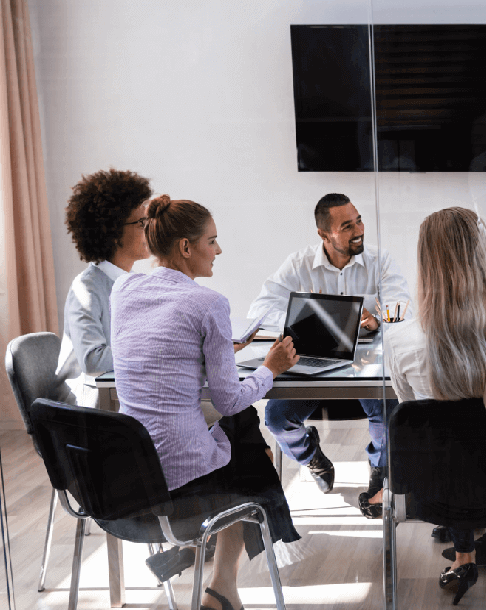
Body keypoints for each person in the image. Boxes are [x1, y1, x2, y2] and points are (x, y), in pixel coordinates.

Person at [110, 195, 302, 610]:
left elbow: (156, 354)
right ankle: (221, 585)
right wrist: (271, 367)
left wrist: (209, 352)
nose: (219, 250)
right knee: (247, 435)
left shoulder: (124, 288)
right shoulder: (208, 303)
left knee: (245, 438)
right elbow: (229, 400)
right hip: (180, 475)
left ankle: (206, 563)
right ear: (185, 247)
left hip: (132, 469)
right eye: (212, 241)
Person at [385, 206, 486, 604]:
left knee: (448, 451)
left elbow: (412, 421)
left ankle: (463, 554)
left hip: (433, 493)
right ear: (482, 258)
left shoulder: (402, 342)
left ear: (426, 261)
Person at [247, 193, 410, 515]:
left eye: (359, 220)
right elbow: (261, 309)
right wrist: (311, 317)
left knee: (389, 413)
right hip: (312, 360)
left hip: (366, 365)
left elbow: (401, 308)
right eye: (347, 226)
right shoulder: (299, 264)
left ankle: (379, 469)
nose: (358, 230)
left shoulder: (381, 261)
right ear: (324, 234)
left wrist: (378, 320)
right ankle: (312, 458)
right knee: (277, 419)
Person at [56, 168, 152, 408]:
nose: (150, 229)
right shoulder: (86, 289)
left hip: (120, 396)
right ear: (113, 232)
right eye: (141, 222)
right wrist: (155, 348)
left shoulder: (133, 283)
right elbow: (93, 360)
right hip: (89, 410)